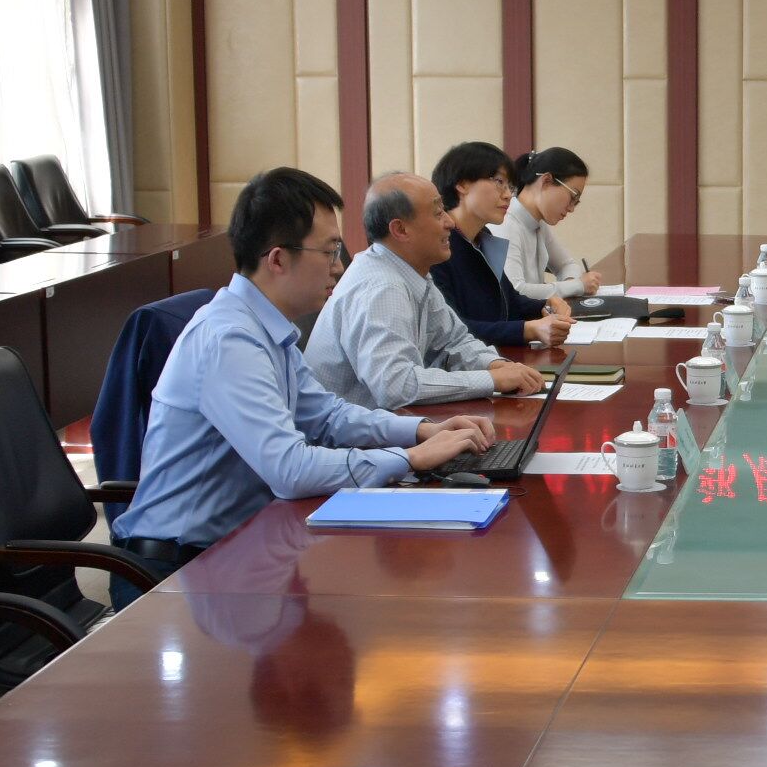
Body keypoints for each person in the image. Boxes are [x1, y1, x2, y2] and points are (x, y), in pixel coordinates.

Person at [109, 168, 494, 590]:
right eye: (329, 252)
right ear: (277, 259)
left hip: (242, 549)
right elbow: (289, 469)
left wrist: (421, 431)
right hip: (177, 573)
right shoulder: (229, 339)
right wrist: (409, 458)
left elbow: (328, 416)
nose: (339, 267)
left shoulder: (267, 328)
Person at [306, 173, 550, 409]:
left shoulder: (411, 272)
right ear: (400, 230)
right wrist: (492, 380)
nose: (450, 222)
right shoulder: (382, 288)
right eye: (438, 213)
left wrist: (497, 366)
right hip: (354, 434)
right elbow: (396, 386)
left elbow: (454, 341)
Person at [428, 141, 570, 349]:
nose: (508, 195)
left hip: (495, 357)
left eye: (509, 186)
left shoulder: (482, 237)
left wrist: (545, 304)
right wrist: (527, 330)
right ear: (462, 184)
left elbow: (509, 300)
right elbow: (451, 329)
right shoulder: (437, 246)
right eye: (499, 182)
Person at [502, 144, 607, 301]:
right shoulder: (505, 222)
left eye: (576, 202)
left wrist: (571, 285)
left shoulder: (538, 222)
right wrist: (578, 285)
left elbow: (567, 265)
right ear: (546, 180)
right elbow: (516, 291)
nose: (571, 208)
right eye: (573, 197)